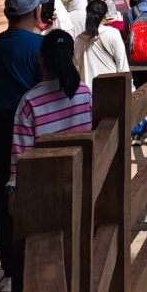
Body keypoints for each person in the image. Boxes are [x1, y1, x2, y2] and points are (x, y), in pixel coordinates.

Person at [0, 0, 43, 290]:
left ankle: (9, 271)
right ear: (35, 13)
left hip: (3, 123)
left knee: (2, 194)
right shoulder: (39, 45)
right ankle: (35, 259)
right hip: (32, 122)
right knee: (34, 190)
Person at [9, 30, 92, 190]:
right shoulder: (84, 92)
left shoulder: (30, 101)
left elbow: (21, 155)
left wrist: (14, 189)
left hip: (46, 186)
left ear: (40, 58)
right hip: (82, 180)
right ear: (72, 55)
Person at [74, 0, 129, 88]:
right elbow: (122, 64)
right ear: (106, 14)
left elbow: (77, 66)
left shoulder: (79, 38)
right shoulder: (113, 33)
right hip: (110, 88)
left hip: (87, 91)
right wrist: (129, 88)